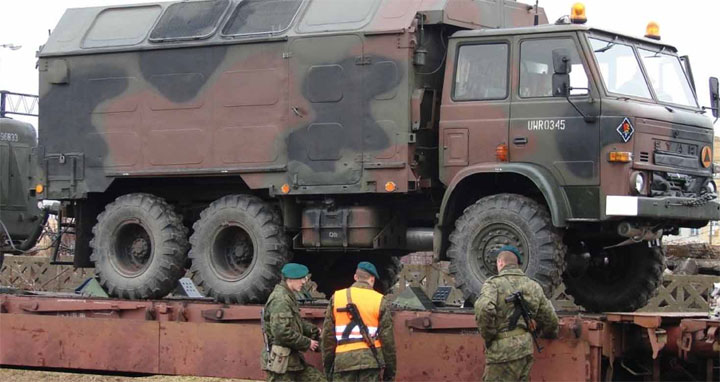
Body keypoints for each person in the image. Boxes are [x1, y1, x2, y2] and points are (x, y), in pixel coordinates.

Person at [474, 246, 559, 382]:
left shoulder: (493, 284)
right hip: (525, 349)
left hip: (502, 352)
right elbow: (551, 320)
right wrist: (545, 333)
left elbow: (484, 308)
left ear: (500, 262)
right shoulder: (533, 286)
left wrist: (489, 335)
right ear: (517, 264)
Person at [321, 261, 396, 382]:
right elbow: (387, 340)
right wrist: (390, 372)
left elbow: (327, 337)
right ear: (372, 279)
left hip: (343, 362)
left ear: (355, 277)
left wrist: (328, 367)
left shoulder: (337, 297)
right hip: (370, 362)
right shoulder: (379, 300)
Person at [261, 263, 326, 382]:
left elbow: (295, 322)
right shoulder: (281, 299)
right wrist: (307, 343)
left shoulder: (288, 295)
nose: (303, 282)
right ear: (290, 279)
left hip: (291, 360)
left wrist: (314, 330)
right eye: (301, 278)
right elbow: (281, 332)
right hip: (281, 363)